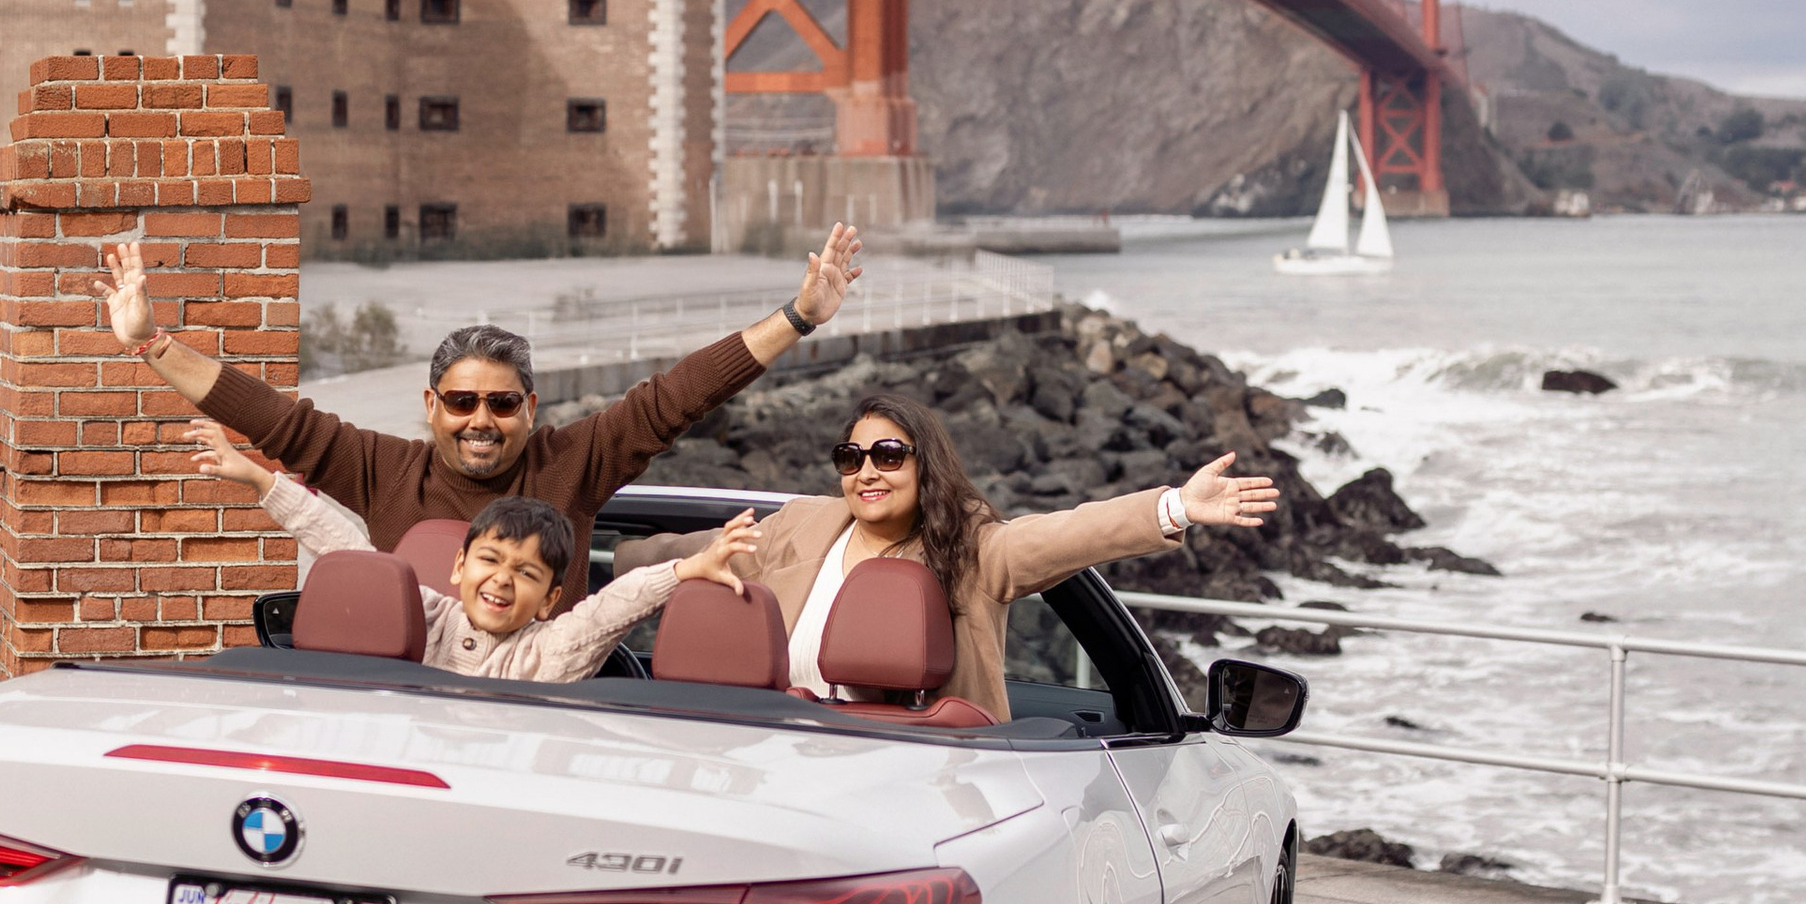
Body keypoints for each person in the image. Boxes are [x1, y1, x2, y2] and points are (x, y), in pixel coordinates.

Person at [102, 220, 862, 590]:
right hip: (413, 715)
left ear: (531, 407)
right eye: (462, 400)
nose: (481, 419)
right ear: (430, 405)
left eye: (501, 403)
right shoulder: (380, 469)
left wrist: (797, 316)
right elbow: (271, 418)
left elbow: (680, 395)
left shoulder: (576, 462)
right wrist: (151, 343)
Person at [615, 391, 1277, 721]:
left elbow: (1065, 534)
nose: (866, 470)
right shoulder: (802, 525)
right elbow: (683, 560)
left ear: (925, 463)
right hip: (777, 759)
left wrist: (1177, 506)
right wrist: (578, 571)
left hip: (928, 783)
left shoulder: (970, 550)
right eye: (851, 456)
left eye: (889, 454)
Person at [184, 410, 766, 683]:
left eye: (527, 573)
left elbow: (616, 606)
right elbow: (349, 547)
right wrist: (262, 479)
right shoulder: (425, 614)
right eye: (489, 559)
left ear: (549, 599)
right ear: (459, 566)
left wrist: (687, 568)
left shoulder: (553, 651)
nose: (502, 579)